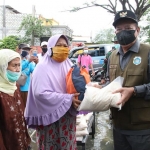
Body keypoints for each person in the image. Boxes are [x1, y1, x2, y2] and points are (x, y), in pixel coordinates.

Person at [24, 34, 81, 150]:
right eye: (58, 45)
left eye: (65, 46)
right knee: (50, 145)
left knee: (68, 144)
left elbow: (75, 85)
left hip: (67, 116)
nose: (63, 48)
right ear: (50, 48)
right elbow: (40, 93)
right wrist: (68, 98)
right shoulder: (42, 67)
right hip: (49, 117)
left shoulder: (69, 64)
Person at [107, 10, 150, 150]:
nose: (122, 32)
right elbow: (114, 84)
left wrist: (134, 90)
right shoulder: (113, 56)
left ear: (137, 30)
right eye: (119, 29)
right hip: (118, 126)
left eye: (128, 28)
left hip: (143, 129)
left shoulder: (148, 52)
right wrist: (100, 89)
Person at [0, 49, 31, 150]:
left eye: (19, 65)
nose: (18, 70)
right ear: (3, 67)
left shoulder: (15, 87)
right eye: (14, 65)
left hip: (21, 143)